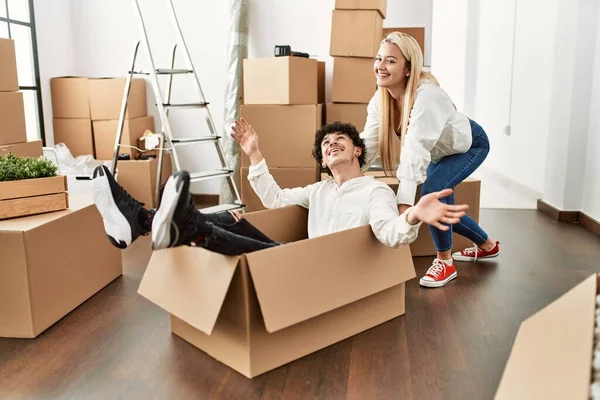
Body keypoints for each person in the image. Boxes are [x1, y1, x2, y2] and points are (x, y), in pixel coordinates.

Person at [91, 121, 468, 256]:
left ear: (357, 151)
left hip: (325, 272)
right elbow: (274, 200)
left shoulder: (375, 192)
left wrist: (415, 214)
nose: (331, 144)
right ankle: (142, 219)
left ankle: (168, 223)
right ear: (321, 161)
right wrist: (254, 153)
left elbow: (389, 234)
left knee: (224, 224)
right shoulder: (317, 192)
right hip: (293, 259)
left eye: (340, 140)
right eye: (325, 144)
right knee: (234, 217)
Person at [359, 31, 500, 288]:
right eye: (379, 59)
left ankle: (445, 263)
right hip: (439, 151)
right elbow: (369, 142)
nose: (380, 66)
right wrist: (348, 173)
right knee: (440, 202)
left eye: (390, 61)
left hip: (470, 144)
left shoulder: (427, 96)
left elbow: (415, 147)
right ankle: (488, 245)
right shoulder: (380, 100)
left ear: (408, 68)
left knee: (432, 192)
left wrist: (404, 205)